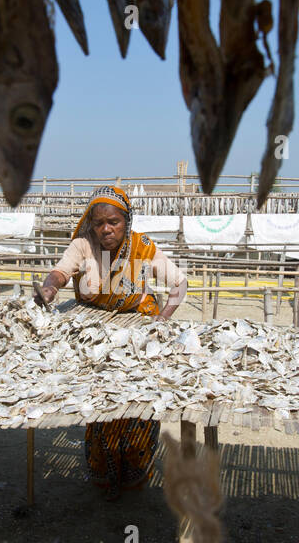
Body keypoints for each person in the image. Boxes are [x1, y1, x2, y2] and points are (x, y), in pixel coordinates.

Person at [36, 186, 188, 499]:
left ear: (126, 221)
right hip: (98, 337)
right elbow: (61, 272)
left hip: (138, 334)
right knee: (101, 400)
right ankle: (103, 473)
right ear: (91, 224)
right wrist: (49, 288)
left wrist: (161, 320)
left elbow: (179, 283)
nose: (107, 228)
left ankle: (134, 471)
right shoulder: (83, 246)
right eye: (99, 222)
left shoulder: (143, 247)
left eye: (114, 222)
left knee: (137, 401)